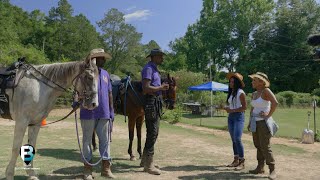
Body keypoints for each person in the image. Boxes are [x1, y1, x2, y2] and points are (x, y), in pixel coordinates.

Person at [80, 48, 115, 179]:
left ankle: (106, 169)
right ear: (93, 59)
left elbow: (110, 93)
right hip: (88, 111)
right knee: (87, 141)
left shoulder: (106, 74)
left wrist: (111, 111)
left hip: (104, 112)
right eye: (101, 57)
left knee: (105, 141)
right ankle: (88, 170)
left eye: (103, 57)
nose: (104, 60)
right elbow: (77, 89)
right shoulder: (84, 73)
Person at [140, 49, 169, 175]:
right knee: (152, 132)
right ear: (153, 57)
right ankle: (149, 165)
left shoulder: (155, 69)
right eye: (160, 56)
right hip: (151, 101)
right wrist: (161, 88)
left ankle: (145, 161)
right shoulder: (148, 69)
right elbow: (146, 88)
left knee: (154, 132)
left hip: (156, 101)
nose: (162, 58)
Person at [248, 72, 278, 180]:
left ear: (261, 82)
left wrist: (268, 115)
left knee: (265, 146)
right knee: (258, 145)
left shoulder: (266, 91)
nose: (252, 82)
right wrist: (249, 121)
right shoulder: (254, 93)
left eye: (254, 80)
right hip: (255, 122)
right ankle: (260, 167)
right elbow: (252, 108)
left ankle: (272, 170)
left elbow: (275, 103)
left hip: (263, 123)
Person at [225, 72, 247, 170]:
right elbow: (232, 106)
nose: (231, 83)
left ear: (237, 82)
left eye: (233, 81)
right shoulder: (231, 93)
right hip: (231, 117)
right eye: (230, 81)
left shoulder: (241, 93)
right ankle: (236, 160)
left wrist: (232, 110)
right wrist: (226, 108)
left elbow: (244, 107)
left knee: (237, 139)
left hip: (238, 117)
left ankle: (242, 162)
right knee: (233, 140)